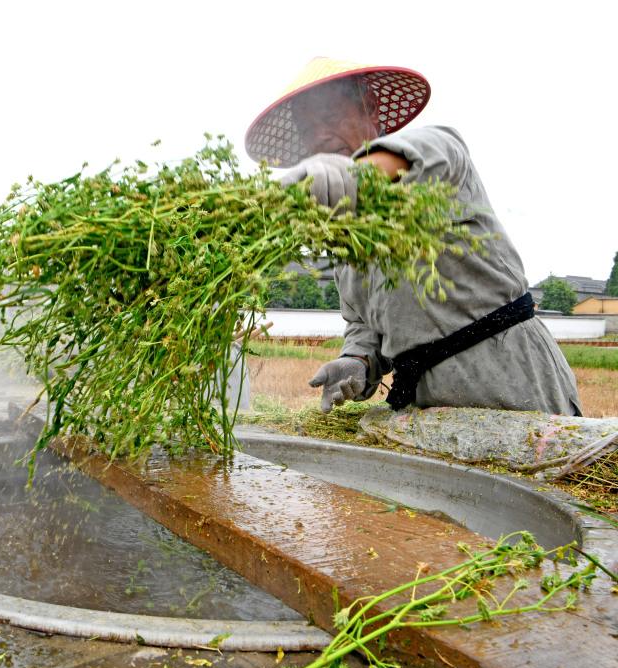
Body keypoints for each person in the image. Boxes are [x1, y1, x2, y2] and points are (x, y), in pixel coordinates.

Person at [244, 57, 581, 416]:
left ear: (370, 107)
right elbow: (363, 322)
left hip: (507, 377)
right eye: (307, 128)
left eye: (329, 117)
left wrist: (332, 178)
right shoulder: (344, 235)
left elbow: (382, 169)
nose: (320, 135)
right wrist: (357, 361)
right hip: (426, 403)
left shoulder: (433, 149)